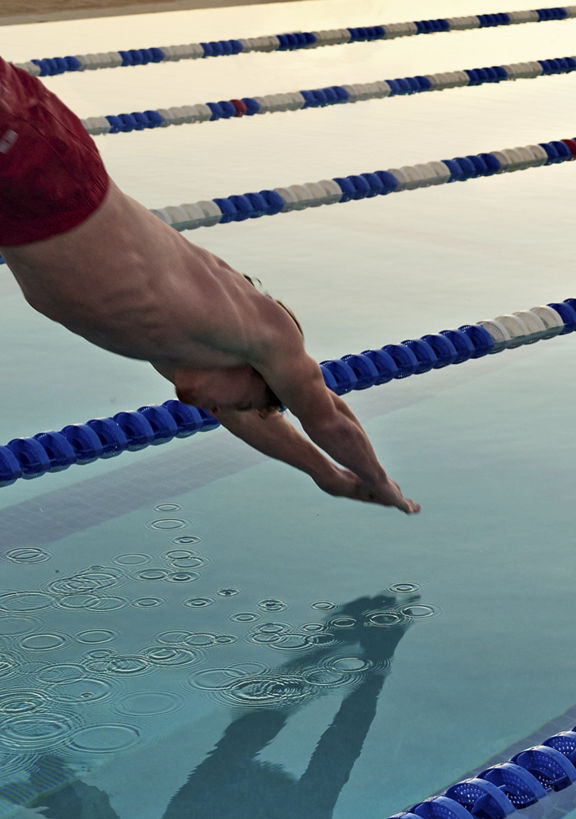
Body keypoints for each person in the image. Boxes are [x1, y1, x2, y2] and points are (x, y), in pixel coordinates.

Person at [0, 56, 420, 514]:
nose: (230, 413)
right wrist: (377, 481)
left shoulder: (169, 348)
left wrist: (328, 476)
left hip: (22, 206)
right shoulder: (264, 332)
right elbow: (327, 417)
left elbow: (243, 420)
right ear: (257, 377)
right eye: (254, 405)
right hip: (46, 169)